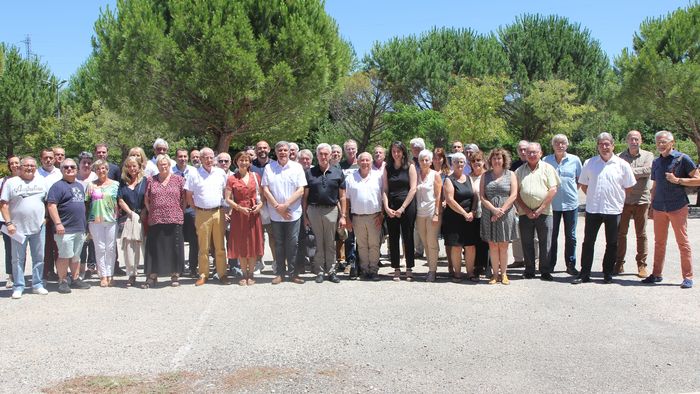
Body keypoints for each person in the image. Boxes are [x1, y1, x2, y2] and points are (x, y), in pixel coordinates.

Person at [574, 133, 636, 285]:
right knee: (588, 242)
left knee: (612, 243)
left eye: (607, 144)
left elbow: (628, 187)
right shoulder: (590, 163)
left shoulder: (622, 165)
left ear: (613, 146)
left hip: (613, 210)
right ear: (598, 146)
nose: (604, 147)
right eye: (601, 144)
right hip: (593, 209)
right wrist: (594, 196)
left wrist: (616, 198)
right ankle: (584, 273)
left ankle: (607, 273)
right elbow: (584, 184)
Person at [643, 130, 697, 289]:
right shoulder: (656, 162)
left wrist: (678, 180)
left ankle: (688, 277)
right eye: (658, 142)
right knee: (659, 242)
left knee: (683, 242)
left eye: (664, 142)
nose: (660, 145)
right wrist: (651, 206)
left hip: (677, 206)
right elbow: (655, 186)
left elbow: (698, 179)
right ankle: (656, 274)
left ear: (672, 143)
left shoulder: (683, 159)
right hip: (659, 207)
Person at [1, 157, 48, 298]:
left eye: (32, 166)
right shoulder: (11, 182)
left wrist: (45, 218)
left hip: (38, 227)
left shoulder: (41, 181)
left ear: (36, 167)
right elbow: (4, 204)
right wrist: (8, 223)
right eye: (26, 165)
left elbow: (46, 201)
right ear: (20, 167)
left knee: (39, 257)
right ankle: (18, 286)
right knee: (17, 259)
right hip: (17, 228)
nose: (29, 168)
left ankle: (37, 284)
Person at [262, 141, 307, 284]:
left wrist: (285, 205)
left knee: (293, 243)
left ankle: (293, 274)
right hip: (276, 214)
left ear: (289, 152)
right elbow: (265, 189)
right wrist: (277, 207)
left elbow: (301, 190)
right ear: (275, 152)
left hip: (293, 213)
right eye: (279, 150)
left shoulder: (297, 167)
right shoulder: (269, 168)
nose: (282, 152)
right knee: (279, 243)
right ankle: (280, 273)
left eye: (285, 150)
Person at [515, 143, 559, 281]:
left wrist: (540, 209)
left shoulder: (548, 168)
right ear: (525, 154)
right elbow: (515, 193)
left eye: (535, 152)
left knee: (546, 242)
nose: (532, 155)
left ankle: (545, 270)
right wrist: (527, 210)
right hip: (525, 213)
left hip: (544, 212)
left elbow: (553, 190)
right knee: (527, 242)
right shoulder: (519, 171)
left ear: (540, 153)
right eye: (529, 152)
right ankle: (529, 270)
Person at [46, 159, 91, 294]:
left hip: (79, 228)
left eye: (72, 166)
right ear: (62, 170)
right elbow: (51, 205)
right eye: (66, 167)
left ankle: (75, 278)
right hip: (64, 229)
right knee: (64, 255)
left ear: (77, 169)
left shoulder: (80, 186)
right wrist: (58, 223)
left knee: (76, 256)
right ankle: (63, 280)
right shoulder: (57, 186)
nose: (69, 169)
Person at [303, 143, 346, 284]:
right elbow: (305, 197)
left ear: (330, 155)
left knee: (330, 242)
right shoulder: (310, 173)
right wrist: (305, 216)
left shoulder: (337, 172)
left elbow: (342, 197)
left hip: (331, 210)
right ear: (317, 155)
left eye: (326, 154)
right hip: (314, 210)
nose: (323, 156)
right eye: (320, 154)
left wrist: (343, 216)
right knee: (318, 242)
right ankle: (320, 271)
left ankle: (331, 271)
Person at [185, 148, 229, 286]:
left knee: (220, 246)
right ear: (201, 159)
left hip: (218, 212)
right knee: (203, 247)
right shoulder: (194, 174)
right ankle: (203, 274)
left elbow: (225, 192)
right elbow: (188, 196)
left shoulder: (221, 173)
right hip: (202, 213)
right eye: (206, 158)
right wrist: (197, 209)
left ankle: (222, 274)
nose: (209, 160)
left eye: (211, 157)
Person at [614, 130, 654, 277]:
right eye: (631, 139)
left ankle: (642, 265)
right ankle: (619, 263)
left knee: (641, 234)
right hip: (623, 201)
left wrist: (628, 171)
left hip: (642, 200)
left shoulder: (648, 155)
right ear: (627, 140)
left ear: (641, 141)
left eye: (637, 139)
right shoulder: (619, 157)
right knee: (620, 234)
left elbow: (648, 170)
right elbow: (617, 173)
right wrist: (636, 172)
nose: (634, 142)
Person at [144, 154, 186, 288]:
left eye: (165, 164)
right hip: (156, 218)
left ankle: (175, 275)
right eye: (160, 164)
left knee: (174, 247)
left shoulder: (179, 180)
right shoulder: (151, 180)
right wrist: (152, 210)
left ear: (169, 165)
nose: (163, 166)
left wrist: (180, 211)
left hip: (174, 218)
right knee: (154, 247)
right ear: (157, 166)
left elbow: (184, 199)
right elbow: (147, 199)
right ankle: (153, 275)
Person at [543, 134, 582, 276]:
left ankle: (571, 265)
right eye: (557, 143)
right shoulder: (546, 160)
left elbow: (580, 180)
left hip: (571, 204)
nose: (560, 145)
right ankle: (550, 264)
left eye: (563, 143)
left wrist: (571, 191)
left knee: (571, 236)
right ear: (552, 145)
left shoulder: (575, 160)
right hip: (552, 206)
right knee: (551, 236)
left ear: (567, 145)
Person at [480, 148, 519, 285]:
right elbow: (482, 196)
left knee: (503, 245)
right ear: (490, 160)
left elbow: (513, 195)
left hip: (506, 212)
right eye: (494, 158)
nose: (497, 161)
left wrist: (501, 210)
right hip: (488, 212)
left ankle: (504, 274)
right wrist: (493, 209)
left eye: (499, 158)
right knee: (493, 245)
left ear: (504, 160)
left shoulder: (511, 174)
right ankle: (494, 274)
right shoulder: (485, 175)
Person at [225, 151, 264, 286]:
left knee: (253, 243)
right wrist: (239, 208)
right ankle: (243, 273)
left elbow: (262, 197)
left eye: (246, 160)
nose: (244, 162)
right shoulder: (232, 179)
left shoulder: (256, 176)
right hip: (239, 214)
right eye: (241, 160)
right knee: (241, 244)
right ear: (236, 162)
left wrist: (260, 206)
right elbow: (227, 199)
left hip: (253, 214)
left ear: (249, 162)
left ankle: (251, 273)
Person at [345, 152, 383, 281]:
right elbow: (347, 199)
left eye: (367, 160)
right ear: (358, 162)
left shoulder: (378, 177)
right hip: (357, 217)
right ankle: (364, 270)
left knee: (374, 244)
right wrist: (347, 218)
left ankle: (373, 270)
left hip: (374, 216)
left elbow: (384, 196)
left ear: (371, 162)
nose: (365, 163)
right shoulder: (351, 178)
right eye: (362, 160)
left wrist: (382, 214)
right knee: (361, 245)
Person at [383, 141, 417, 281]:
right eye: (393, 151)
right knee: (394, 237)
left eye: (398, 151)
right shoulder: (387, 168)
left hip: (407, 206)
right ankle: (396, 268)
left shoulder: (410, 167)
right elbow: (384, 189)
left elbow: (413, 188)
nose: (396, 154)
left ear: (403, 152)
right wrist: (386, 207)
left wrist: (402, 208)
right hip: (391, 205)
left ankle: (409, 267)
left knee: (408, 236)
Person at [442, 152, 478, 282]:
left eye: (462, 162)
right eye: (457, 162)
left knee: (470, 246)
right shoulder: (448, 180)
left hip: (469, 217)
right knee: (456, 246)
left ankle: (470, 273)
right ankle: (457, 273)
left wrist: (473, 211)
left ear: (465, 164)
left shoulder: (469, 178)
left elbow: (475, 196)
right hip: (454, 218)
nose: (459, 164)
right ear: (453, 164)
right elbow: (450, 200)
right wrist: (464, 213)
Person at [86, 159, 120, 287]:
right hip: (95, 220)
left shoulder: (116, 184)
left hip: (111, 219)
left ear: (107, 170)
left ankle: (111, 275)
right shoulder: (91, 185)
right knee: (100, 248)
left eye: (104, 168)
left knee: (111, 248)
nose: (101, 171)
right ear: (95, 171)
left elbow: (119, 201)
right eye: (98, 169)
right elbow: (86, 203)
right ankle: (103, 275)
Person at [118, 156, 147, 287]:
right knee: (130, 247)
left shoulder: (145, 181)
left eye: (134, 166)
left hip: (144, 216)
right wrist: (130, 213)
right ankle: (131, 274)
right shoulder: (122, 182)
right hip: (129, 217)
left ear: (140, 167)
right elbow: (120, 199)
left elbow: (149, 197)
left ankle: (150, 273)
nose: (132, 168)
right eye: (129, 166)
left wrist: (145, 211)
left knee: (146, 246)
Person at [414, 149, 442, 282]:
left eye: (427, 160)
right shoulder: (416, 174)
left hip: (432, 212)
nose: (424, 162)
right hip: (419, 213)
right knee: (425, 242)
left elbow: (438, 195)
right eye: (422, 160)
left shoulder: (435, 175)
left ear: (431, 162)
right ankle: (431, 267)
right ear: (418, 161)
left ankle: (432, 270)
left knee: (432, 242)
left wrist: (437, 213)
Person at [172, 148, 198, 277]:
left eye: (185, 156)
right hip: (175, 209)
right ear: (176, 158)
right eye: (180, 156)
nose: (183, 159)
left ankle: (193, 268)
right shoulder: (171, 171)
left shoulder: (194, 171)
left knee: (194, 240)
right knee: (177, 239)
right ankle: (178, 268)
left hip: (191, 208)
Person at [38, 148, 62, 282]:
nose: (48, 160)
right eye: (45, 158)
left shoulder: (59, 173)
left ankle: (61, 272)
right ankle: (47, 272)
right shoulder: (36, 174)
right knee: (45, 245)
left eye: (50, 158)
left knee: (58, 244)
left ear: (54, 159)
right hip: (42, 212)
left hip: (58, 210)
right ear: (41, 159)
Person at [508, 140, 530, 268]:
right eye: (520, 149)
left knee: (535, 237)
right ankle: (518, 259)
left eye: (525, 149)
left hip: (534, 206)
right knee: (517, 234)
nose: (523, 152)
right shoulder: (514, 166)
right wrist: (515, 205)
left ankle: (535, 260)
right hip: (517, 205)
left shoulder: (538, 164)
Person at [468, 150, 489, 277]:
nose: (476, 163)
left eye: (478, 160)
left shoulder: (488, 176)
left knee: (485, 241)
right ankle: (476, 266)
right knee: (474, 240)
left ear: (484, 162)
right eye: (473, 161)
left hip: (486, 212)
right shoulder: (468, 177)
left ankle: (486, 266)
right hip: (471, 213)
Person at [76, 152, 97, 278]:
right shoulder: (75, 177)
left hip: (95, 213)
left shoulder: (96, 177)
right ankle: (81, 268)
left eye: (89, 162)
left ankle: (92, 266)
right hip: (79, 214)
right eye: (84, 162)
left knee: (94, 241)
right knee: (82, 242)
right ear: (79, 163)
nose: (86, 165)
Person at [1, 155, 21, 288]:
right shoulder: (2, 181)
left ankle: (20, 275)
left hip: (22, 220)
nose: (14, 165)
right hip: (6, 220)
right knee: (9, 249)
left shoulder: (27, 179)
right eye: (11, 163)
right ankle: (10, 276)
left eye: (17, 163)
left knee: (22, 250)